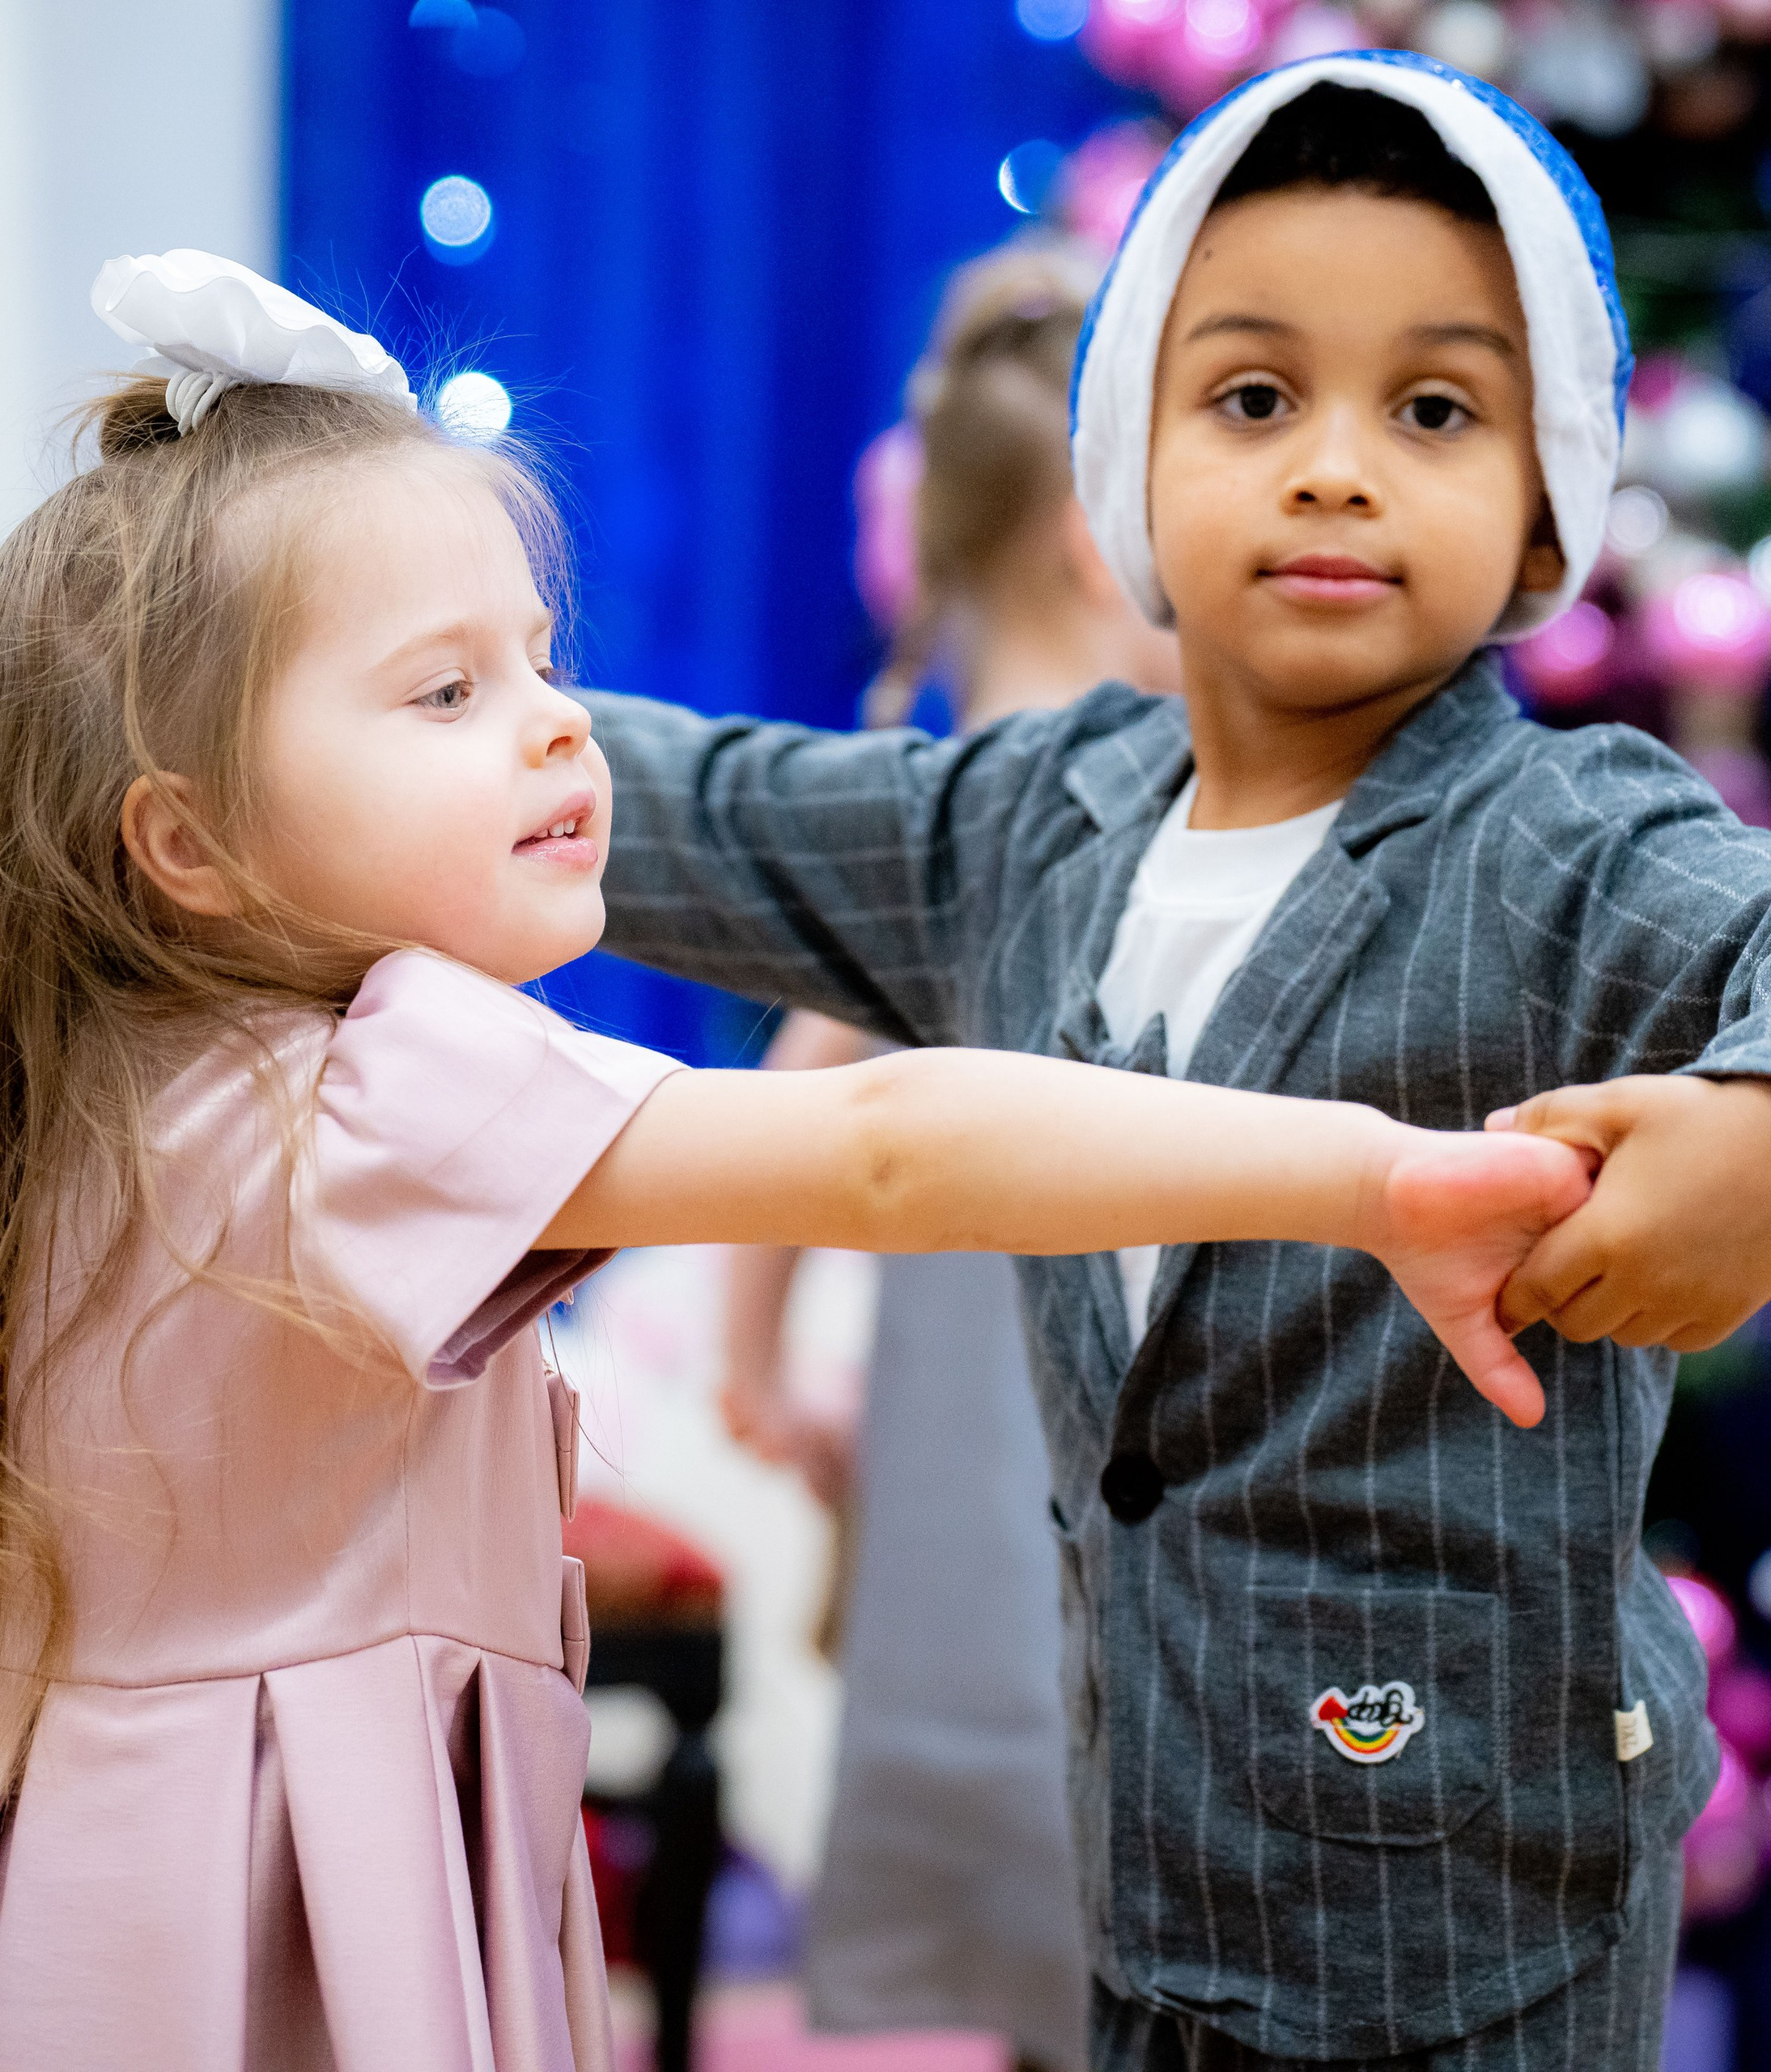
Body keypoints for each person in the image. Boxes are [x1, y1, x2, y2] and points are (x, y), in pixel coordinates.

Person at [0, 250, 1595, 2072]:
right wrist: (1370, 1177)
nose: (554, 720)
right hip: (249, 1932)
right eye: (442, 692)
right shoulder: (363, 1099)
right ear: (184, 842)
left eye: (538, 655)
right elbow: (885, 1145)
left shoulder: (112, 1084)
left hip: (57, 1886)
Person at [576, 55, 1771, 2072]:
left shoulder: (1564, 845)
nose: (1334, 467)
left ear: (1546, 498)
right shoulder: (1032, 825)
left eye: (1435, 408)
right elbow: (720, 812)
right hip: (1153, 1873)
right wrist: (438, 719)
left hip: (1477, 1919)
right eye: (1254, 398)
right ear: (1126, 470)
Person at [720, 240, 1178, 2072]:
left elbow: (789, 1087)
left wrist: (755, 1362)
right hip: (1106, 1381)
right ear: (1100, 538)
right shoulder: (1145, 786)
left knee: (1005, 1759)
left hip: (958, 1383)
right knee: (1102, 1763)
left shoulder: (936, 784)